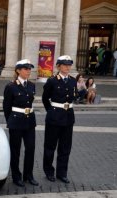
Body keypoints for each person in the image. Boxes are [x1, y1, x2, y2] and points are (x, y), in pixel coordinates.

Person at [3, 59, 39, 187]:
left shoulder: (31, 85)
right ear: (18, 70)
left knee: (30, 149)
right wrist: (11, 121)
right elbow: (6, 107)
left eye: (29, 68)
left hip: (30, 121)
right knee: (15, 150)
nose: (28, 71)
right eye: (25, 68)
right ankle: (16, 176)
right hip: (16, 122)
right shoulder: (11, 86)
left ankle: (28, 175)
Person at [42, 55, 77, 184]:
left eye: (69, 65)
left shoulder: (73, 81)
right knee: (50, 147)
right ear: (58, 66)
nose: (68, 67)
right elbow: (45, 99)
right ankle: (49, 172)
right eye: (65, 65)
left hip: (68, 118)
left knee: (65, 147)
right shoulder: (52, 81)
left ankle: (62, 173)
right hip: (54, 117)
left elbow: (74, 96)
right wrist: (51, 111)